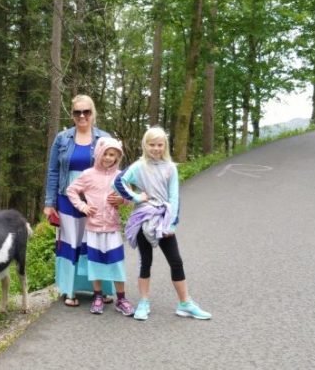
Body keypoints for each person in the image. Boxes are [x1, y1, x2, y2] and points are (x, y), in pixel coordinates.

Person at [114, 126, 211, 321]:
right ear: (145, 145)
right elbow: (118, 182)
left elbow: (174, 197)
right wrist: (136, 197)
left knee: (176, 261)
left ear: (165, 145)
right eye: (152, 144)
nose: (156, 148)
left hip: (163, 219)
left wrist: (171, 225)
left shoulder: (170, 168)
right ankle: (143, 302)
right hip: (143, 218)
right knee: (145, 262)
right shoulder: (138, 166)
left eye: (160, 145)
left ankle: (185, 303)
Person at [44, 94, 122, 307]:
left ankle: (102, 290)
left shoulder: (104, 139)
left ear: (93, 113)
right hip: (67, 198)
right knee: (71, 243)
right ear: (72, 114)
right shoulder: (62, 139)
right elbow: (53, 170)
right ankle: (69, 290)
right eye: (77, 112)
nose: (82, 116)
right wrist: (49, 203)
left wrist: (119, 195)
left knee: (97, 243)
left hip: (98, 200)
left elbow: (113, 169)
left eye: (86, 111)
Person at [65, 137, 134, 316]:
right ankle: (97, 296)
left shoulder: (120, 176)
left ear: (118, 158)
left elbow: (129, 197)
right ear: (98, 154)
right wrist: (83, 207)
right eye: (106, 154)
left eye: (113, 155)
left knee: (117, 263)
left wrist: (122, 200)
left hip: (112, 228)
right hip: (93, 228)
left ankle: (121, 299)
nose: (109, 158)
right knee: (94, 264)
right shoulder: (88, 174)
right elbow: (71, 190)